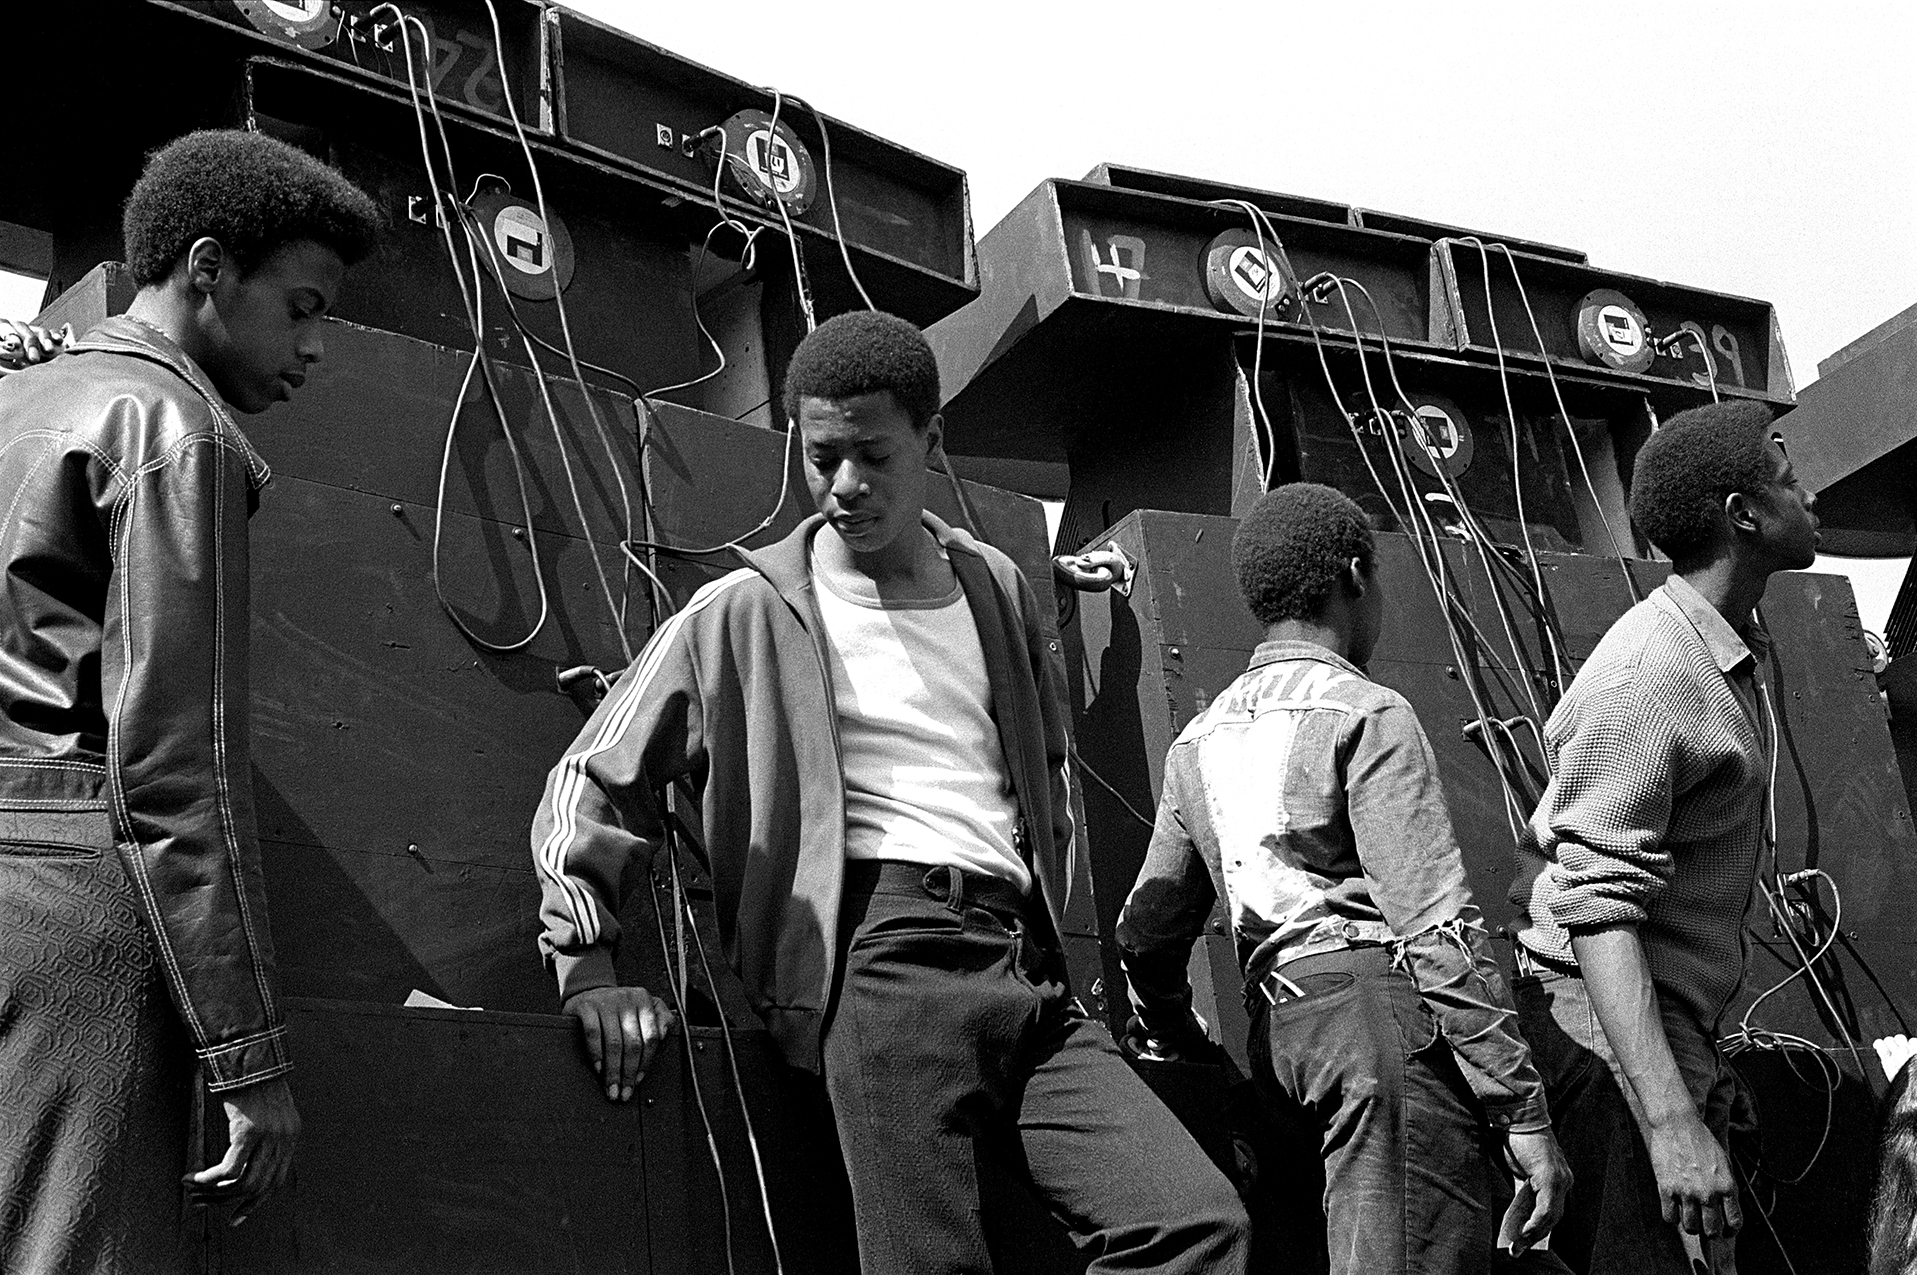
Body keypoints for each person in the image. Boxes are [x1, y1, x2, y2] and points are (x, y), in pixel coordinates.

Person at [530, 310, 1251, 1273]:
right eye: (822, 457)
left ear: (931, 439)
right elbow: (592, 774)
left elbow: (1042, 776)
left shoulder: (994, 586)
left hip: (1022, 968)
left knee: (1196, 1221)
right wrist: (588, 965)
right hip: (878, 962)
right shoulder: (744, 609)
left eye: (872, 455)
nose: (844, 486)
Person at [0, 129, 381, 1272]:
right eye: (303, 307)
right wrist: (248, 1056)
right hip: (76, 912)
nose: (316, 350)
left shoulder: (23, 399)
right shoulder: (175, 434)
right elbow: (177, 770)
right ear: (208, 268)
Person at [1115, 482, 1573, 1274]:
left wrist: (1188, 1041)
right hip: (1377, 1031)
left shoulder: (1197, 739)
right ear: (1354, 576)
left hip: (1280, 1044)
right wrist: (1520, 1105)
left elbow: (1145, 933)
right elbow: (1436, 929)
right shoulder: (1365, 711)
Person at [1508, 400, 1820, 1275]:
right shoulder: (1652, 672)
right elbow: (1598, 913)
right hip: (1611, 1034)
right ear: (1742, 514)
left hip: (1660, 1026)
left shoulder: (1718, 649)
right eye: (1789, 480)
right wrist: (1671, 1120)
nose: (1811, 493)